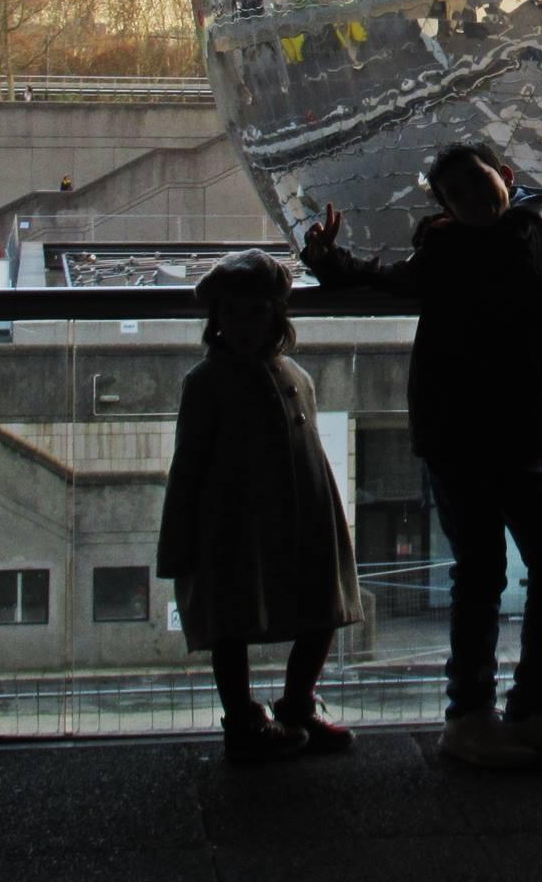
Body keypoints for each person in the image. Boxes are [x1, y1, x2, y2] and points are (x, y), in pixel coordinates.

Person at [303, 142, 542, 769]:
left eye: (475, 185)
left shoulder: (485, 250)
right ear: (447, 205)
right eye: (457, 194)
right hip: (492, 436)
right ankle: (521, 711)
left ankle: (478, 717)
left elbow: (378, 278)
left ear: (504, 177)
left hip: (474, 433)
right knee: (532, 562)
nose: (471, 200)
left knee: (492, 571)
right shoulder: (519, 244)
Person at [156, 249, 363, 766]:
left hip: (300, 514)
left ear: (276, 314)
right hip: (231, 522)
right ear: (216, 319)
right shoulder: (206, 383)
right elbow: (189, 463)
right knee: (232, 620)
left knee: (321, 610)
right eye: (231, 312)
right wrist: (178, 540)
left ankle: (295, 705)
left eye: (255, 311)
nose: (243, 324)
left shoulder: (295, 375)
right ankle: (245, 719)